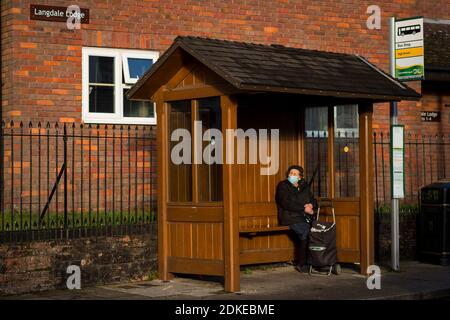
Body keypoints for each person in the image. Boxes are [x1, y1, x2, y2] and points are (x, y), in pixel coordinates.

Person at [275, 165, 317, 273]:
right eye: (290, 173)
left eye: (294, 174)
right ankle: (302, 264)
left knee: (316, 231)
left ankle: (316, 262)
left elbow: (313, 200)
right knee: (305, 232)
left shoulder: (304, 186)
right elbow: (286, 203)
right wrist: (304, 209)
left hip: (304, 217)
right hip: (289, 216)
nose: (291, 175)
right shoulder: (283, 186)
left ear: (300, 177)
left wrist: (311, 206)